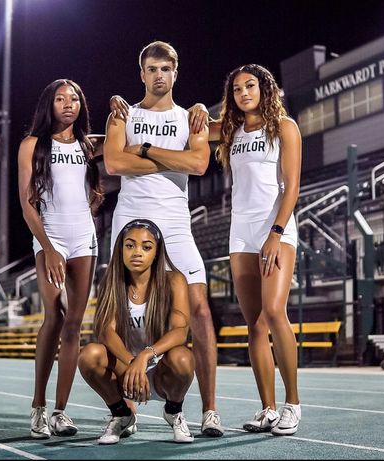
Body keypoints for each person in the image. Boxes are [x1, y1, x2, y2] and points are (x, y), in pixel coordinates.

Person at [104, 40, 224, 437]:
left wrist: (146, 149)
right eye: (152, 69)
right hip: (131, 221)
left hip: (175, 222)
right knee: (122, 313)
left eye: (165, 69)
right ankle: (125, 409)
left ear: (176, 73)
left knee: (201, 311)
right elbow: (114, 161)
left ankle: (209, 410)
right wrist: (168, 157)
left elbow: (200, 162)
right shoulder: (123, 113)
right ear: (142, 74)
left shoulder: (192, 118)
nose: (159, 75)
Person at [212, 64, 302, 435]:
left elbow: (292, 186)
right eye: (236, 89)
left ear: (265, 88)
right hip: (241, 232)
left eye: (250, 85)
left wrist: (276, 232)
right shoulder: (230, 130)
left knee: (274, 310)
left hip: (274, 228)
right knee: (254, 323)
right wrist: (198, 111)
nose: (244, 93)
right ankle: (267, 408)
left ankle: (292, 404)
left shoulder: (284, 127)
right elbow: (187, 126)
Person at [18, 79, 102, 438]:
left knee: (75, 324)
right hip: (50, 237)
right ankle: (38, 406)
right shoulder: (32, 145)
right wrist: (49, 248)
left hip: (84, 238)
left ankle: (61, 412)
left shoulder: (88, 144)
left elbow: (124, 136)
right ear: (48, 104)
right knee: (55, 317)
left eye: (75, 99)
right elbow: (27, 204)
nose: (69, 104)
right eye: (60, 98)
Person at [78, 219, 195, 444]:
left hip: (161, 368)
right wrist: (132, 362)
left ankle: (174, 411)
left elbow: (180, 331)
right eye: (130, 245)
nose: (137, 253)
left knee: (182, 357)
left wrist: (144, 356)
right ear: (120, 249)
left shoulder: (174, 280)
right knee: (89, 355)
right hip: (126, 368)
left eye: (146, 247)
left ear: (157, 252)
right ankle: (121, 414)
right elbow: (105, 331)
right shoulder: (112, 283)